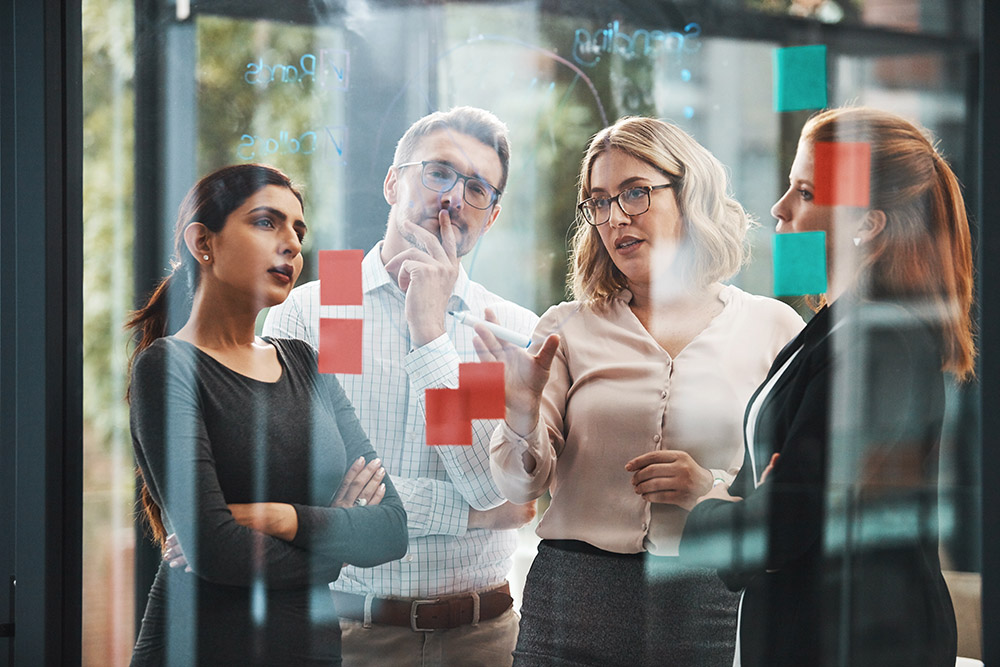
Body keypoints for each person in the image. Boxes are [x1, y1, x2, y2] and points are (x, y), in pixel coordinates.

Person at [474, 116, 804, 666]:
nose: (615, 217)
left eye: (634, 194)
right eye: (598, 202)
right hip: (573, 598)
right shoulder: (564, 329)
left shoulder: (774, 328)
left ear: (689, 193)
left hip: (715, 596)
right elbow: (516, 485)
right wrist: (521, 410)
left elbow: (797, 494)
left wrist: (712, 488)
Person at [680, 107, 973, 667]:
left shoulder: (883, 341)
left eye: (806, 191)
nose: (780, 208)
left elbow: (785, 521)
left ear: (867, 223)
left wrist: (709, 510)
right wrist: (751, 496)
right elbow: (770, 491)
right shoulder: (839, 329)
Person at [262, 107, 537, 666]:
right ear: (392, 182)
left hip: (482, 639)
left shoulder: (501, 327)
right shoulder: (312, 309)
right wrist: (463, 516)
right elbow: (303, 488)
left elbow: (490, 486)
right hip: (349, 635)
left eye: (478, 188)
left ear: (493, 214)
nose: (455, 196)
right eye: (439, 171)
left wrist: (430, 332)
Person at [126, 164, 408, 666]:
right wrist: (338, 538)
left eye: (299, 231)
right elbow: (216, 551)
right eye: (266, 222)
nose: (293, 245)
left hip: (310, 648)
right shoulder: (167, 368)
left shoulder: (304, 359)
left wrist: (276, 518)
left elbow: (390, 529)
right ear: (202, 242)